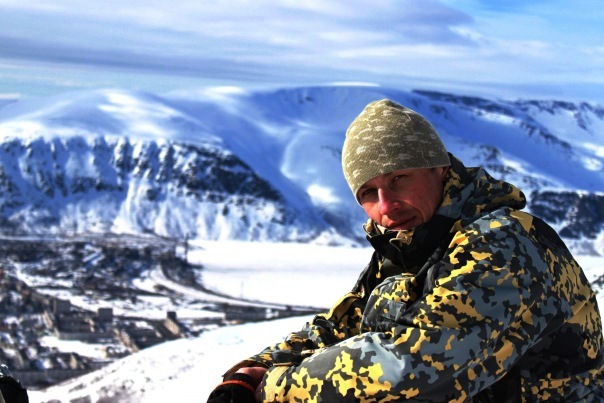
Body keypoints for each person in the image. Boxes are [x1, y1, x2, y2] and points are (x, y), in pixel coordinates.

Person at [207, 99, 604, 402]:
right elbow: (343, 324)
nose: (386, 205)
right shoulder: (413, 241)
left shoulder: (502, 242)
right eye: (368, 192)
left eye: (399, 179)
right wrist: (256, 367)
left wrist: (275, 387)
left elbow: (418, 364)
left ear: (439, 169)